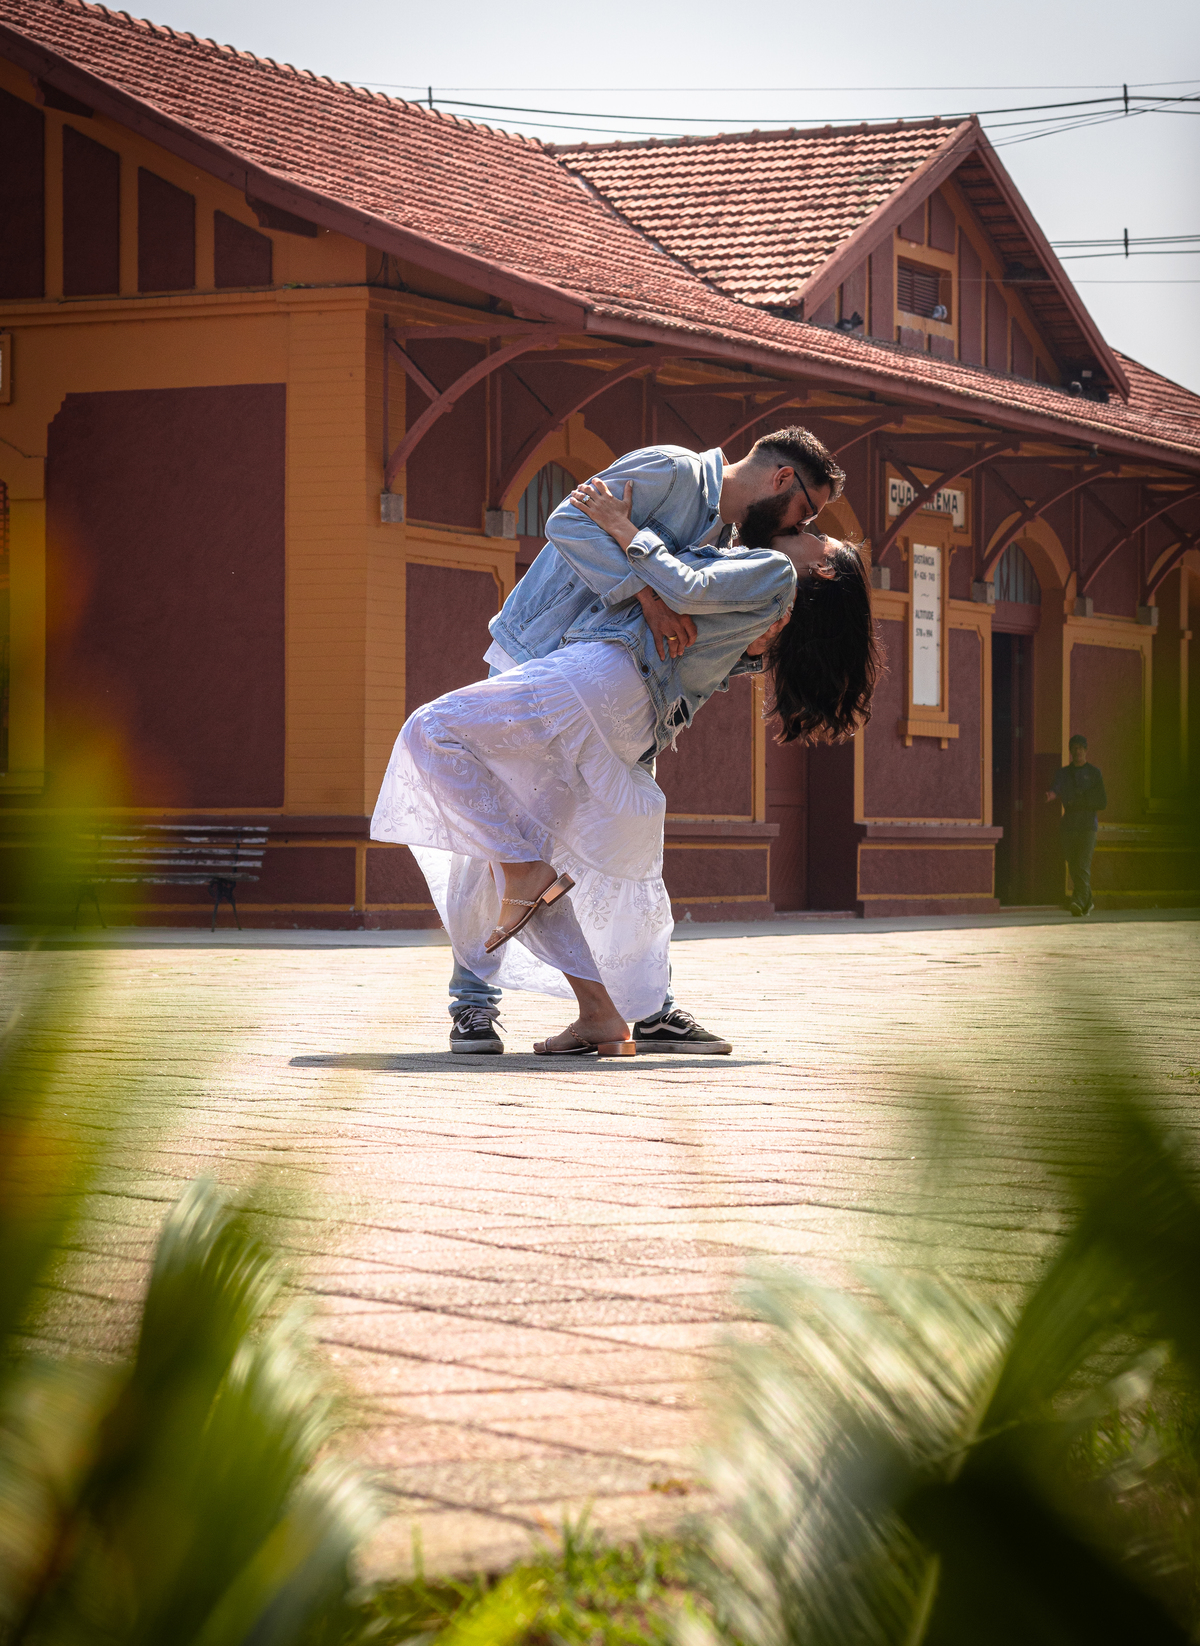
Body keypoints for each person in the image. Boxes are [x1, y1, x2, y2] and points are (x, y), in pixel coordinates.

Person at [370, 473, 879, 1057]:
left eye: (814, 529)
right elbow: (695, 644)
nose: (803, 525)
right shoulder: (735, 547)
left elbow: (680, 584)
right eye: (807, 514)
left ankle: (507, 981)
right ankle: (602, 1011)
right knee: (543, 859)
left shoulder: (768, 569)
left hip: (596, 681)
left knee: (440, 744)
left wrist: (620, 525)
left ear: (823, 570)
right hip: (627, 720)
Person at [1046, 734, 1107, 916]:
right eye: (1074, 748)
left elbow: (1102, 801)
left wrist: (1081, 801)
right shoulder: (1063, 773)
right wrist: (1050, 796)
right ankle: (1088, 900)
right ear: (1070, 751)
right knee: (1073, 864)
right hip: (1069, 825)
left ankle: (1078, 901)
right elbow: (1055, 789)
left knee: (1082, 863)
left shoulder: (1094, 773)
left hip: (1088, 825)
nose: (1077, 751)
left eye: (1080, 747)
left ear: (1086, 750)